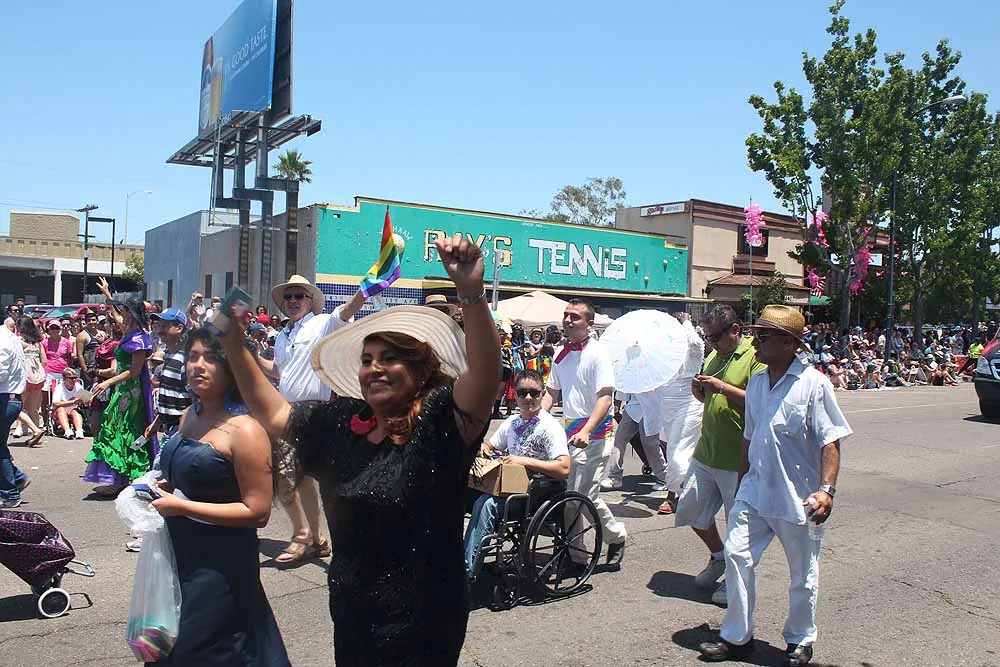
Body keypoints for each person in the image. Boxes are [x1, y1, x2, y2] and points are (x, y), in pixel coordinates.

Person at [220, 232, 499, 666]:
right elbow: (275, 414)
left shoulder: (439, 422)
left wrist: (471, 292)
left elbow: (484, 376)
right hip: (353, 613)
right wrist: (233, 347)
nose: (374, 368)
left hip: (426, 619)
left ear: (421, 371)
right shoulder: (342, 423)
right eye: (367, 360)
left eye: (389, 358)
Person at [700, 305, 851, 666]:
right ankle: (737, 637)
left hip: (798, 498)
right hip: (755, 491)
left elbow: (830, 440)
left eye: (764, 336)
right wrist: (741, 485)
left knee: (803, 573)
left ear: (789, 343)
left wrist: (826, 490)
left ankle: (799, 639)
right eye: (756, 335)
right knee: (737, 556)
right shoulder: (756, 383)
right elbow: (750, 439)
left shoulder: (813, 384)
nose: (756, 342)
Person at [149, 328, 290, 666]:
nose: (198, 365)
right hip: (179, 554)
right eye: (193, 357)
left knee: (205, 647)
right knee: (169, 644)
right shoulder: (189, 416)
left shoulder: (246, 430)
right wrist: (161, 487)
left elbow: (258, 512)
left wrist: (183, 506)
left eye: (211, 358)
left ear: (232, 368)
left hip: (221, 565)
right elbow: (191, 475)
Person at [256, 275, 368, 565]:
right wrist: (253, 358)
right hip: (288, 412)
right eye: (289, 296)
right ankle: (312, 538)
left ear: (310, 301)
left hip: (318, 412)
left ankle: (326, 541)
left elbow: (346, 310)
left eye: (299, 296)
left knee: (324, 482)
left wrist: (366, 290)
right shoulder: (284, 335)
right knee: (293, 478)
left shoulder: (322, 324)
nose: (293, 301)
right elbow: (280, 371)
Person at [674, 305, 765, 606]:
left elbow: (762, 400)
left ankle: (735, 582)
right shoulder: (714, 355)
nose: (710, 343)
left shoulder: (755, 356)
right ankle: (719, 557)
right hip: (707, 449)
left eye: (714, 337)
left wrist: (721, 387)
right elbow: (709, 398)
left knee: (738, 526)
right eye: (707, 337)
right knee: (690, 509)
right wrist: (699, 390)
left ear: (735, 330)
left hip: (737, 456)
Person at [541, 299, 627, 567]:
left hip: (596, 434)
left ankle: (616, 536)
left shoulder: (598, 354)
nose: (568, 320)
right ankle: (575, 556)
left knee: (585, 497)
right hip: (569, 433)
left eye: (575, 317)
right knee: (569, 497)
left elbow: (605, 398)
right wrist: (535, 420)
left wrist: (587, 430)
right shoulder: (560, 353)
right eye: (566, 315)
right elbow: (551, 393)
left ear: (589, 323)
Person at [464, 369, 570, 577]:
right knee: (458, 492)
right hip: (507, 487)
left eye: (534, 392)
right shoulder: (512, 422)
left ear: (542, 394)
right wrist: (484, 449)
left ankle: (467, 570)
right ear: (516, 396)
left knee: (486, 503)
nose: (528, 397)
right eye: (522, 393)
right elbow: (491, 445)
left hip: (534, 495)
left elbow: (564, 468)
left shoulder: (550, 427)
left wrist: (525, 461)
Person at [82, 298, 155, 494]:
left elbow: (134, 371)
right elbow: (116, 315)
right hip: (122, 390)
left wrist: (108, 382)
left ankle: (129, 478)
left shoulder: (139, 338)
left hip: (132, 393)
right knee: (114, 428)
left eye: (125, 311)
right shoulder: (128, 331)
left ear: (132, 313)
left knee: (126, 430)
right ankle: (119, 479)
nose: (121, 315)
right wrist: (107, 295)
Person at [656, 312, 706, 514]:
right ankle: (683, 491)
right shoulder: (664, 351)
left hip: (689, 402)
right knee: (674, 449)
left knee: (678, 452)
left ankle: (674, 495)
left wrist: (686, 322)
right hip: (667, 404)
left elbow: (696, 343)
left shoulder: (693, 349)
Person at [144, 308, 191, 440]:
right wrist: (157, 422)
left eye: (165, 326)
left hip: (182, 429)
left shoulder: (186, 357)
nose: (160, 330)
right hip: (169, 427)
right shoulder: (170, 354)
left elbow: (197, 398)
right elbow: (172, 393)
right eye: (159, 325)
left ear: (179, 328)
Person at [0, 324, 30, 508]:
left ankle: (10, 494)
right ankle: (17, 478)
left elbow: (1, 372)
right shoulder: (10, 337)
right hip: (12, 396)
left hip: (5, 397)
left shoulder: (3, 338)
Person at [14, 316, 46, 446]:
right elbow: (44, 361)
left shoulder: (19, 341)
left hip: (24, 376)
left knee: (17, 406)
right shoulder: (38, 343)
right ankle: (36, 434)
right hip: (38, 376)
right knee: (33, 408)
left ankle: (34, 430)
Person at [52, 368, 87, 439]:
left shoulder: (78, 386)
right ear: (64, 379)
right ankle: (67, 431)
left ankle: (79, 431)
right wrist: (73, 402)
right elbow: (55, 404)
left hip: (73, 410)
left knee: (75, 411)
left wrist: (85, 400)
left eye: (75, 378)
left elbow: (85, 398)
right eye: (71, 378)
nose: (74, 380)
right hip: (59, 412)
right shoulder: (59, 388)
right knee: (61, 409)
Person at [75, 309, 104, 386]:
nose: (91, 322)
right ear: (86, 322)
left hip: (102, 368)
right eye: (89, 320)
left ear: (97, 321)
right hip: (89, 369)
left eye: (93, 320)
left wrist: (103, 341)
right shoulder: (82, 336)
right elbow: (79, 354)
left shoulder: (102, 333)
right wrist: (85, 370)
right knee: (88, 391)